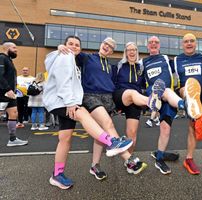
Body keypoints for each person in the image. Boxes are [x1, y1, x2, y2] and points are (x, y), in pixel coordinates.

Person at [44, 36, 133, 189]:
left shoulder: (72, 60)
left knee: (65, 139)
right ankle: (111, 142)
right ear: (65, 46)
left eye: (77, 45)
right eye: (70, 44)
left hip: (66, 101)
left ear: (80, 49)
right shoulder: (65, 57)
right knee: (83, 113)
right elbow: (62, 81)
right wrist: (71, 102)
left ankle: (57, 174)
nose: (73, 46)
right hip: (62, 101)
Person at [58, 37, 149, 179]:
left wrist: (116, 103)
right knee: (108, 125)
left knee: (101, 135)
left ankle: (95, 166)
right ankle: (129, 160)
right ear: (101, 44)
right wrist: (60, 47)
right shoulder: (87, 58)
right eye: (105, 44)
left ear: (112, 51)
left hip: (108, 99)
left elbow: (115, 85)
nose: (107, 47)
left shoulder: (112, 66)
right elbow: (73, 51)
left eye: (110, 46)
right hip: (91, 96)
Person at [141, 36, 191, 174]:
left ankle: (160, 158)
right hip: (154, 93)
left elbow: (183, 67)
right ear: (147, 46)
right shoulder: (143, 62)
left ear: (159, 45)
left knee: (165, 130)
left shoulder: (166, 59)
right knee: (161, 87)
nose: (153, 44)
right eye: (150, 42)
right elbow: (137, 80)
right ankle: (184, 105)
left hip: (168, 99)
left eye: (156, 42)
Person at [113, 42, 163, 153]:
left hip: (136, 101)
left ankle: (129, 159)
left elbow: (145, 85)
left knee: (132, 133)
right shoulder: (119, 65)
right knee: (131, 93)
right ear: (125, 52)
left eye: (134, 49)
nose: (132, 52)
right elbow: (111, 82)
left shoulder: (141, 67)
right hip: (121, 95)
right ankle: (151, 103)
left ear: (137, 52)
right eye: (129, 50)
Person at [173, 33, 202, 175]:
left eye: (192, 41)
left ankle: (189, 158)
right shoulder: (176, 60)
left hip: (201, 95)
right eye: (186, 41)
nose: (189, 43)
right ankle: (189, 96)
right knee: (185, 90)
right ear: (182, 44)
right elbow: (173, 79)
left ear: (196, 43)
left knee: (193, 127)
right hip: (183, 91)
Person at [0, 42, 28, 147]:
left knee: (14, 113)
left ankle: (12, 139)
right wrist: (8, 89)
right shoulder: (2, 58)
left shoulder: (9, 60)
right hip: (3, 92)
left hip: (10, 94)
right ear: (7, 48)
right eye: (14, 47)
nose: (16, 50)